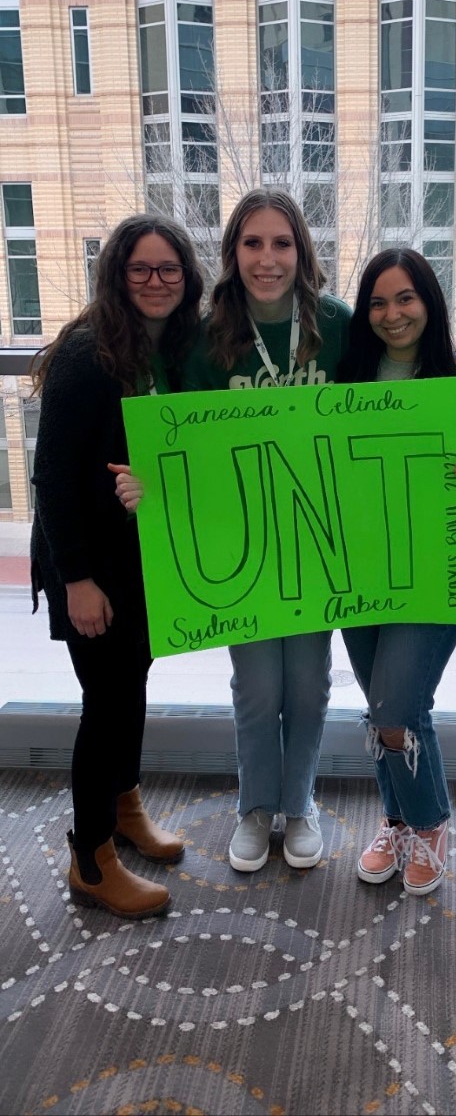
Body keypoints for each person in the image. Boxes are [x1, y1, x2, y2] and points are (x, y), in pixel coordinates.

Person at [30, 214, 204, 919]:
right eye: (141, 269)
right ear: (117, 275)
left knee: (130, 686)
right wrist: (77, 580)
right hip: (89, 566)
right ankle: (91, 859)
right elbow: (52, 477)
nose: (157, 281)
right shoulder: (86, 353)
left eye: (169, 269)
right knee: (104, 705)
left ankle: (126, 806)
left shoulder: (175, 347)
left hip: (141, 559)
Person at [178, 187, 351, 873]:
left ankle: (298, 804)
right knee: (258, 688)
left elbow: (376, 415)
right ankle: (256, 807)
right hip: (240, 544)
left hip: (315, 540)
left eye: (281, 243)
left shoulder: (335, 326)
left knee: (308, 687)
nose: (267, 258)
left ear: (302, 253)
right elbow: (179, 437)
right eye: (253, 243)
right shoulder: (206, 335)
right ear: (232, 253)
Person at [337, 247, 456, 896]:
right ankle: (395, 819)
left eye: (406, 299)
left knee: (399, 707)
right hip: (359, 566)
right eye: (377, 302)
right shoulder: (345, 385)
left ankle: (429, 822)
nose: (392, 314)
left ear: (429, 303)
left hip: (431, 570)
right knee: (379, 711)